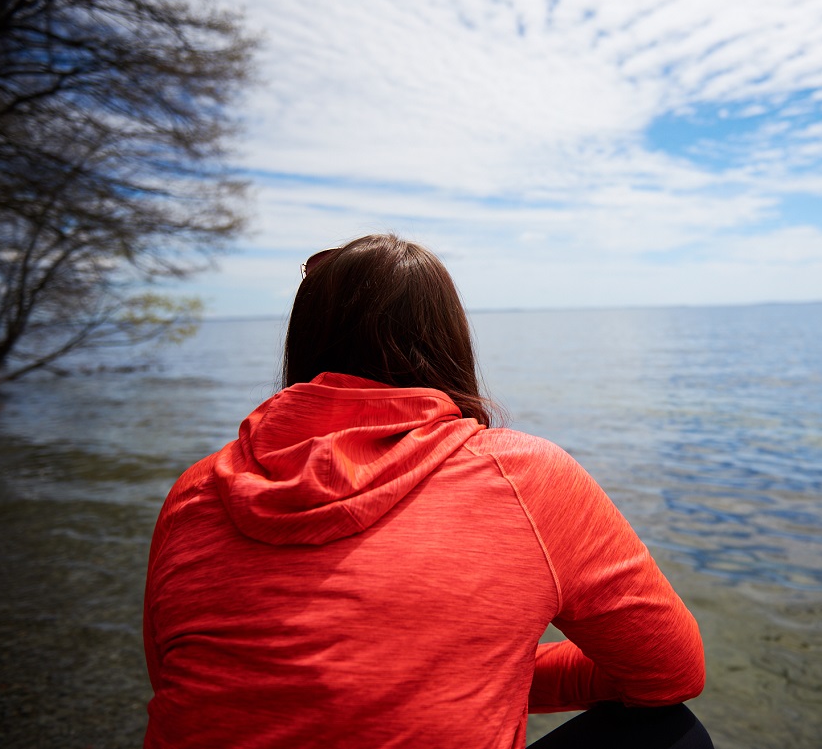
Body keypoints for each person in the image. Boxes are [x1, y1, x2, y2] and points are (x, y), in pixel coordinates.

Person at [142, 234, 711, 748]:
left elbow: (178, 672)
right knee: (675, 735)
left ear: (303, 341)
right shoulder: (523, 476)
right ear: (451, 340)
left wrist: (449, 664)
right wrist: (485, 667)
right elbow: (671, 672)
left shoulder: (197, 489)